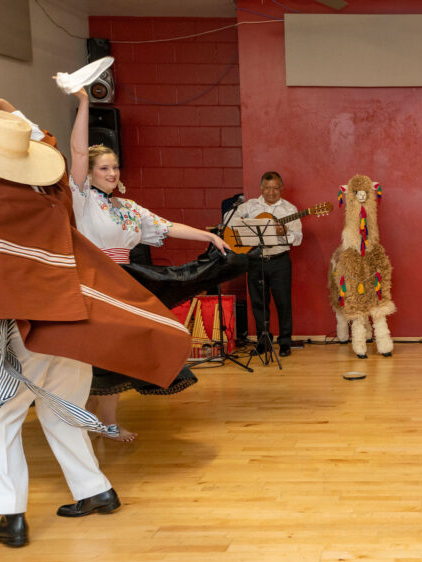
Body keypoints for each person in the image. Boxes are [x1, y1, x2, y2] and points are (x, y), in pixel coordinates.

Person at [0, 99, 190, 547]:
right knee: (61, 412)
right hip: (75, 326)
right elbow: (50, 153)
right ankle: (96, 492)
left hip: (27, 331)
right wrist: (15, 114)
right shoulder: (52, 196)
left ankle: (11, 516)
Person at [67, 89, 232, 442]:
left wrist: (208, 236)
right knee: (98, 358)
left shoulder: (128, 208)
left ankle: (101, 421)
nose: (112, 173)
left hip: (124, 284)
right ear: (90, 173)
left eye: (115, 167)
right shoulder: (82, 200)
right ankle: (85, 420)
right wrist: (84, 104)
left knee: (117, 357)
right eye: (104, 168)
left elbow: (167, 226)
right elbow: (79, 151)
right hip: (94, 284)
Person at [226, 171, 302, 357]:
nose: (271, 192)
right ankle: (263, 341)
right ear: (261, 188)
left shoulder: (290, 210)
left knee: (283, 303)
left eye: (275, 188)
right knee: (259, 303)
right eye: (267, 188)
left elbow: (298, 238)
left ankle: (285, 342)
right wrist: (245, 223)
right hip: (254, 260)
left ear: (281, 189)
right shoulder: (250, 206)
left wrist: (283, 232)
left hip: (279, 261)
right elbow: (228, 218)